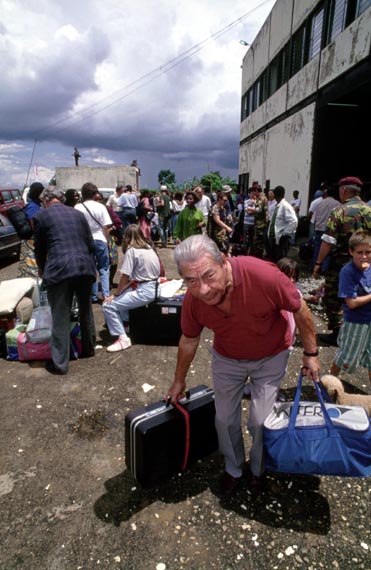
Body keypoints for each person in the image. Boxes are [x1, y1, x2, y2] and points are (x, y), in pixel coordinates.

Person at [167, 235, 320, 496]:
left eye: (208, 276)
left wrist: (311, 353)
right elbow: (189, 339)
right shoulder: (193, 301)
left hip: (271, 356)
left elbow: (300, 308)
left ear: (223, 262)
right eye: (191, 281)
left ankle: (259, 469)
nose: (203, 289)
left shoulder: (264, 276)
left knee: (261, 422)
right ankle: (234, 468)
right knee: (224, 419)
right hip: (228, 358)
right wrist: (179, 380)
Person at [33, 187, 96, 375]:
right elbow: (90, 243)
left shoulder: (41, 216)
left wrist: (42, 269)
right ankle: (89, 349)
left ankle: (60, 363)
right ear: (60, 198)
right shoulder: (77, 214)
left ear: (46, 199)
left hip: (59, 268)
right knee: (86, 310)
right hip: (84, 267)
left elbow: (40, 249)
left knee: (61, 314)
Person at [314, 176, 371, 345]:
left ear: (344, 190)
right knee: (361, 294)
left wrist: (318, 263)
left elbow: (328, 241)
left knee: (332, 298)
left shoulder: (340, 211)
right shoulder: (369, 210)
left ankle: (338, 334)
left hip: (340, 264)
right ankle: (359, 334)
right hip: (365, 262)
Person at [102, 225, 161, 352]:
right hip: (155, 287)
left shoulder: (132, 251)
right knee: (125, 295)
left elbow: (125, 276)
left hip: (145, 290)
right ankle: (127, 325)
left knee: (108, 306)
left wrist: (116, 294)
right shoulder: (149, 248)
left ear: (127, 237)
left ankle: (123, 339)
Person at [330, 230, 371, 385]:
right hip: (356, 321)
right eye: (360, 252)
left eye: (368, 252)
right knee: (346, 355)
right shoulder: (348, 272)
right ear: (351, 252)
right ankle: (329, 383)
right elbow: (351, 303)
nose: (364, 256)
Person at [75, 182, 112, 303]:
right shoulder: (101, 207)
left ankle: (93, 296)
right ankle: (106, 295)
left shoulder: (78, 207)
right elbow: (106, 227)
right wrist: (107, 242)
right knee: (104, 268)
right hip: (100, 239)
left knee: (91, 269)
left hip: (85, 241)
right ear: (95, 194)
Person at [93, 191, 123, 289]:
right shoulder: (89, 210)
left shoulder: (107, 209)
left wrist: (111, 229)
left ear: (102, 200)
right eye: (95, 199)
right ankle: (95, 286)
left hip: (110, 239)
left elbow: (118, 222)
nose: (97, 201)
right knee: (94, 263)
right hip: (94, 239)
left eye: (99, 199)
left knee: (113, 261)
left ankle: (109, 281)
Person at [17, 181, 45, 278]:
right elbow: (33, 224)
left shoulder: (37, 205)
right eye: (42, 191)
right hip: (32, 241)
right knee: (32, 268)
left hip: (34, 240)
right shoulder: (32, 207)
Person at [312, 185, 340, 271]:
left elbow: (316, 216)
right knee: (328, 250)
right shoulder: (337, 204)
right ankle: (324, 269)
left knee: (317, 249)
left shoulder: (320, 202)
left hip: (318, 228)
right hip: (328, 230)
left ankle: (315, 266)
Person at [266, 185, 297, 263]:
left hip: (281, 240)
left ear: (276, 195)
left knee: (280, 261)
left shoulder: (285, 206)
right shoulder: (278, 205)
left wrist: (284, 234)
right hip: (274, 239)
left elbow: (293, 221)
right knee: (274, 260)